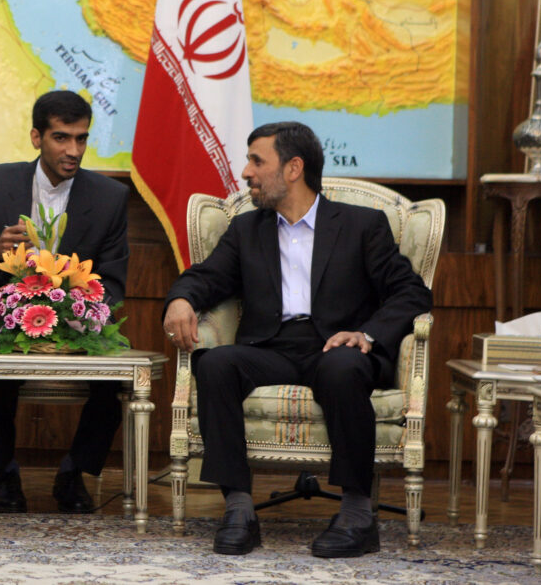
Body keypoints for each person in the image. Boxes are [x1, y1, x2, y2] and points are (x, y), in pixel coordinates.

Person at [162, 121, 431, 558]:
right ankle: (239, 510)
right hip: (272, 348)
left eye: (257, 161)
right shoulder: (247, 229)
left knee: (343, 368)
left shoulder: (361, 225)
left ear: (293, 168)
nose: (246, 173)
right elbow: (206, 277)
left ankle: (357, 514)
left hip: (337, 348)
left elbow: (411, 292)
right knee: (214, 363)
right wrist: (180, 299)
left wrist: (366, 334)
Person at [0, 90, 129, 514]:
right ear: (37, 137)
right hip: (7, 319)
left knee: (119, 376)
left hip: (79, 322)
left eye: (81, 139)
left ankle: (74, 471)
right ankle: (6, 472)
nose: (73, 151)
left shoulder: (110, 197)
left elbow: (114, 281)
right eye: (61, 138)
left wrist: (80, 311)